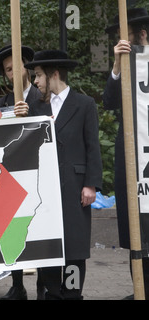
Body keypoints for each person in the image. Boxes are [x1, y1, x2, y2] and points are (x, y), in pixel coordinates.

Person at [25, 50, 103, 299]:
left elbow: (93, 146)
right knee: (48, 247)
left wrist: (91, 184)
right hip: (43, 192)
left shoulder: (84, 104)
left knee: (74, 248)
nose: (35, 81)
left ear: (54, 74)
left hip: (74, 188)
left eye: (38, 75)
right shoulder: (34, 107)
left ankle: (72, 294)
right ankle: (51, 293)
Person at [0, 44, 45, 300]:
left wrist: (30, 113)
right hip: (12, 176)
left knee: (43, 228)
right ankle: (17, 283)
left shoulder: (43, 97)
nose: (13, 73)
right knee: (15, 229)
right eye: (8, 70)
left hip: (41, 173)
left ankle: (46, 283)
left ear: (28, 67)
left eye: (17, 66)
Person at [103, 7, 149, 299]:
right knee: (135, 228)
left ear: (142, 35)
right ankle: (140, 289)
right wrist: (118, 65)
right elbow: (109, 101)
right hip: (133, 158)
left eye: (127, 39)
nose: (123, 45)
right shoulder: (128, 65)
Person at [0, 45, 37, 120]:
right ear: (5, 75)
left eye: (17, 66)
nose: (15, 71)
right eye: (9, 69)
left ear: (25, 65)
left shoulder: (46, 98)